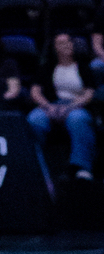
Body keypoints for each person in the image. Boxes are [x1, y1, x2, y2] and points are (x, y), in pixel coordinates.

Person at [28, 32, 97, 180]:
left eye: (68, 42)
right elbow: (35, 91)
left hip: (76, 105)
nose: (66, 46)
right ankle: (36, 164)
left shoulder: (83, 67)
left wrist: (71, 106)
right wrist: (47, 106)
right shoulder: (47, 67)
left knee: (78, 120)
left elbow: (89, 93)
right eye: (61, 43)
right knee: (35, 119)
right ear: (54, 48)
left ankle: (81, 167)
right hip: (51, 105)